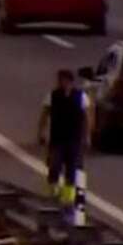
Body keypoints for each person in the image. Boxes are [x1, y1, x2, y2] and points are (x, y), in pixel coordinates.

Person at [36, 68, 92, 210]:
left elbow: (86, 118)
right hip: (57, 139)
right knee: (54, 166)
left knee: (72, 169)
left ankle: (68, 197)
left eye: (64, 80)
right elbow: (44, 115)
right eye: (59, 80)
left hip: (74, 139)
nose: (61, 83)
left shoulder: (80, 97)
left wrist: (87, 136)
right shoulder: (52, 96)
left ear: (70, 81)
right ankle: (53, 193)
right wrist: (41, 133)